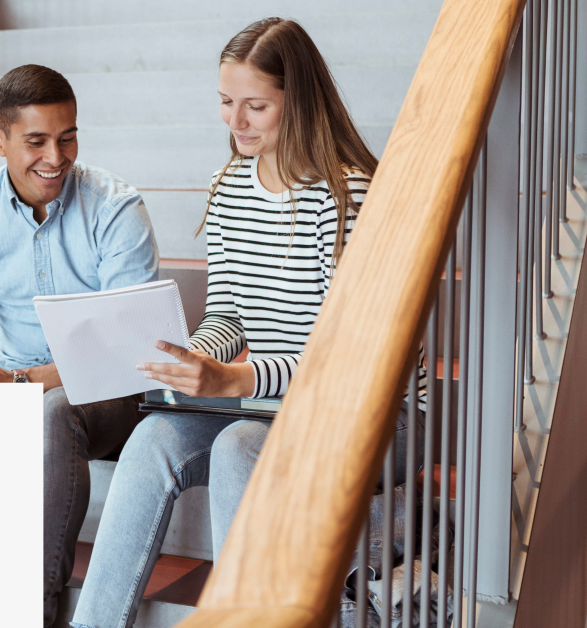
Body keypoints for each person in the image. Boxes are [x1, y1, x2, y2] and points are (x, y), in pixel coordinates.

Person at [70, 18, 424, 628]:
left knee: (238, 445)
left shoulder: (345, 197)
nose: (236, 123)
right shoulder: (230, 185)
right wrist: (189, 359)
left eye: (255, 106)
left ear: (299, 100)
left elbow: (348, 360)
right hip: (274, 404)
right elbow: (230, 313)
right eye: (227, 103)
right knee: (152, 438)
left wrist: (236, 381)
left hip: (370, 412)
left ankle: (246, 618)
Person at [0, 64, 160, 626]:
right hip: (17, 381)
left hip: (110, 392)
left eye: (67, 137)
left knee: (51, 409)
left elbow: (129, 344)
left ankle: (36, 602)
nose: (56, 156)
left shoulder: (116, 208)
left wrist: (19, 382)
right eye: (37, 141)